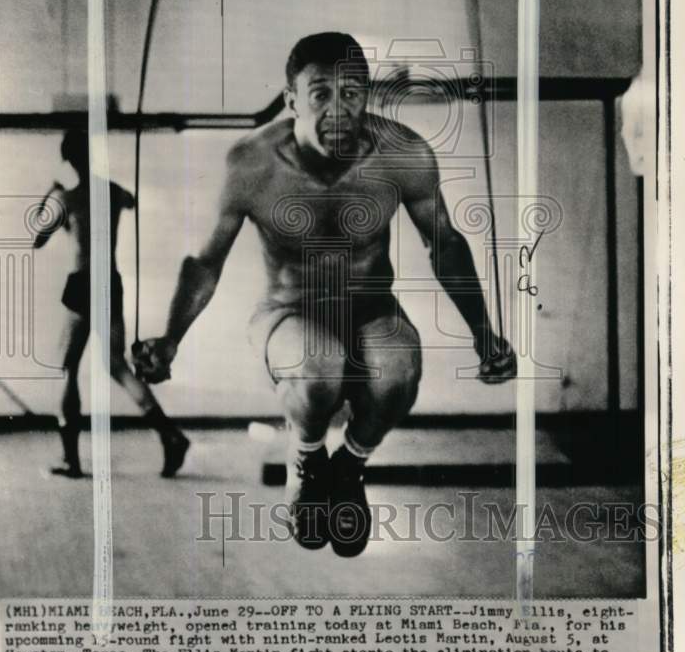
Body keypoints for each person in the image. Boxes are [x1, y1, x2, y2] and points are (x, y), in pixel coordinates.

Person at [133, 33, 515, 555]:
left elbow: (444, 242)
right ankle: (307, 456)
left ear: (368, 95)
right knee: (320, 364)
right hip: (287, 313)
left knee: (400, 368)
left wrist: (483, 332)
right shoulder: (251, 163)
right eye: (321, 93)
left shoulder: (403, 153)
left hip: (372, 306)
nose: (339, 108)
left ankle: (348, 467)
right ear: (291, 101)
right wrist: (171, 338)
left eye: (353, 92)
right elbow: (205, 262)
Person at [34, 129, 189, 479]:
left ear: (68, 160)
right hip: (110, 282)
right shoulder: (113, 191)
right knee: (116, 364)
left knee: (68, 368)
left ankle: (71, 461)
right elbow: (131, 201)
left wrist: (50, 194)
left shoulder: (66, 198)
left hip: (81, 283)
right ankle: (171, 433)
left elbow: (37, 238)